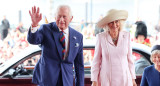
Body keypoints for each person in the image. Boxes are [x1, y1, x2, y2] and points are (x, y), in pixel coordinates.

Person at [27, 5, 84, 86]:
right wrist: (34, 25)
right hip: (47, 80)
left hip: (66, 81)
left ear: (71, 18)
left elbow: (79, 66)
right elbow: (33, 40)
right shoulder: (45, 29)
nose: (61, 20)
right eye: (59, 16)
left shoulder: (78, 36)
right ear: (55, 17)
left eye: (64, 17)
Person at [91, 9, 137, 86]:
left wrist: (133, 79)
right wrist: (94, 80)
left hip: (125, 79)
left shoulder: (127, 36)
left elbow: (130, 60)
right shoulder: (101, 37)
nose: (114, 25)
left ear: (120, 23)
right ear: (107, 24)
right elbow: (96, 61)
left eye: (116, 22)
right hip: (106, 80)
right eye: (111, 22)